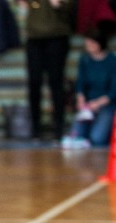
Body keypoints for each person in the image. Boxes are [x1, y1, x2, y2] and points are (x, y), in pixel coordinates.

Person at [21, 0, 76, 140]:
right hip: (34, 37)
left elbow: (72, 9)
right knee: (34, 83)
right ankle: (36, 128)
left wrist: (59, 4)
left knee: (56, 82)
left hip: (57, 36)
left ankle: (58, 127)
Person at [64, 28, 116, 148]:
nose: (89, 47)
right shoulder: (85, 59)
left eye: (92, 44)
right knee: (77, 136)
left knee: (97, 139)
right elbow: (80, 83)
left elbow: (114, 91)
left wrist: (97, 104)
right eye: (87, 44)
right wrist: (81, 99)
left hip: (106, 104)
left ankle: (105, 128)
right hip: (88, 105)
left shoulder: (113, 61)